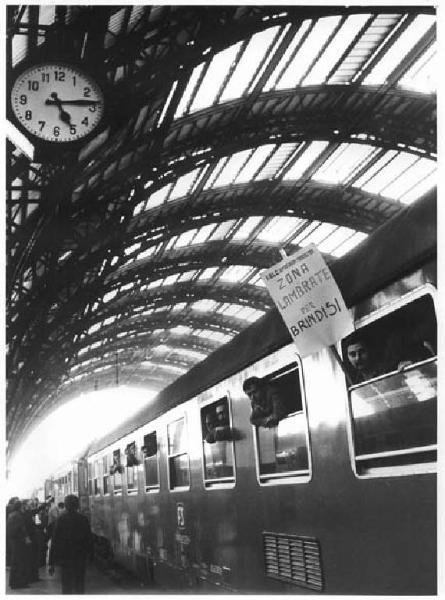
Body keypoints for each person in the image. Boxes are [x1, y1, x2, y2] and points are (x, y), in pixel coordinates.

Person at [48, 494, 93, 594]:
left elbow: (55, 541)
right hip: (80, 558)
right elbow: (89, 540)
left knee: (66, 586)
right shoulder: (83, 519)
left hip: (66, 559)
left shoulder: (61, 519)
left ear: (66, 505)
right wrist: (91, 556)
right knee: (79, 584)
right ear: (77, 505)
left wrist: (51, 563)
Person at [7, 500, 32, 589]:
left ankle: (13, 582)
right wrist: (27, 539)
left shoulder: (11, 514)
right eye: (22, 506)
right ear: (20, 507)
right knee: (20, 562)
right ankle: (19, 583)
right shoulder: (18, 516)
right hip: (19, 542)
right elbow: (22, 529)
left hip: (13, 541)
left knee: (15, 562)